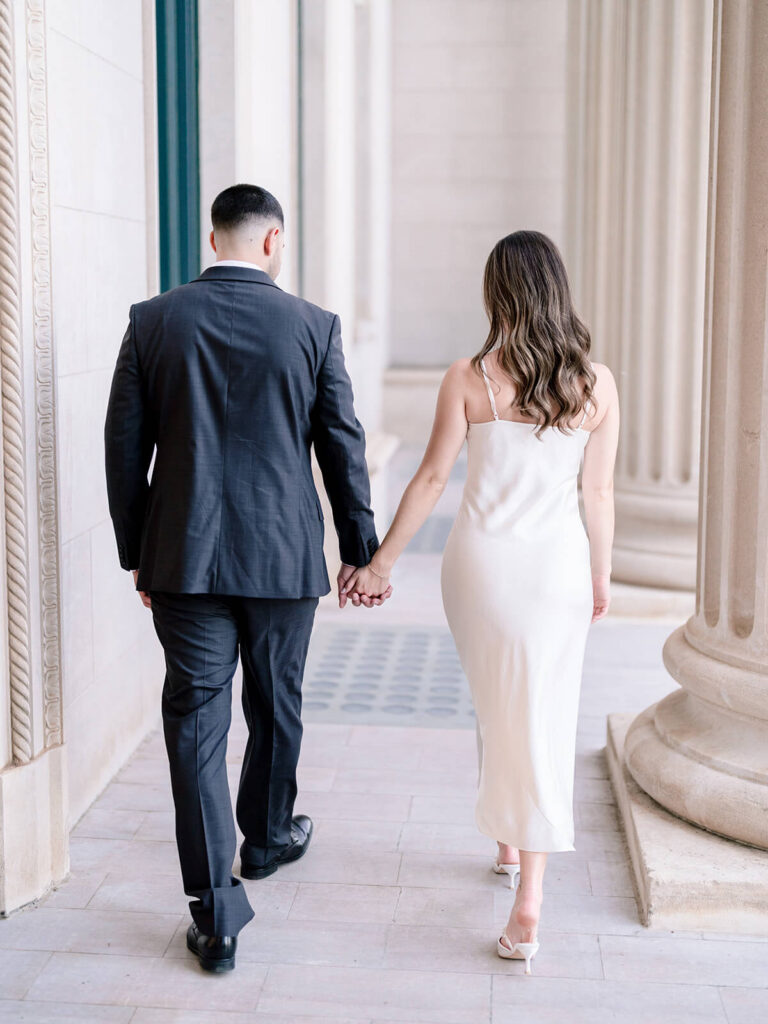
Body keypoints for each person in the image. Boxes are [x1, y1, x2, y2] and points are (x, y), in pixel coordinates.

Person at [104, 184, 389, 973]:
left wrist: (139, 551)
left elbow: (124, 449)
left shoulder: (152, 320)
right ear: (273, 243)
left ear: (212, 237)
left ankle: (216, 914)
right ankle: (263, 841)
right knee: (277, 702)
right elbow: (342, 445)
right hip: (281, 557)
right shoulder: (312, 327)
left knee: (196, 727)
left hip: (185, 561)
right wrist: (361, 547)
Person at [343, 230, 619, 974]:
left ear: (497, 293)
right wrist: (601, 575)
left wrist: (381, 564)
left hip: (481, 570)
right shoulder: (596, 383)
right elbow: (598, 493)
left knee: (499, 701)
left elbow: (431, 479)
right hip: (558, 571)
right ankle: (524, 882)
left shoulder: (469, 377)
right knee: (543, 712)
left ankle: (519, 875)